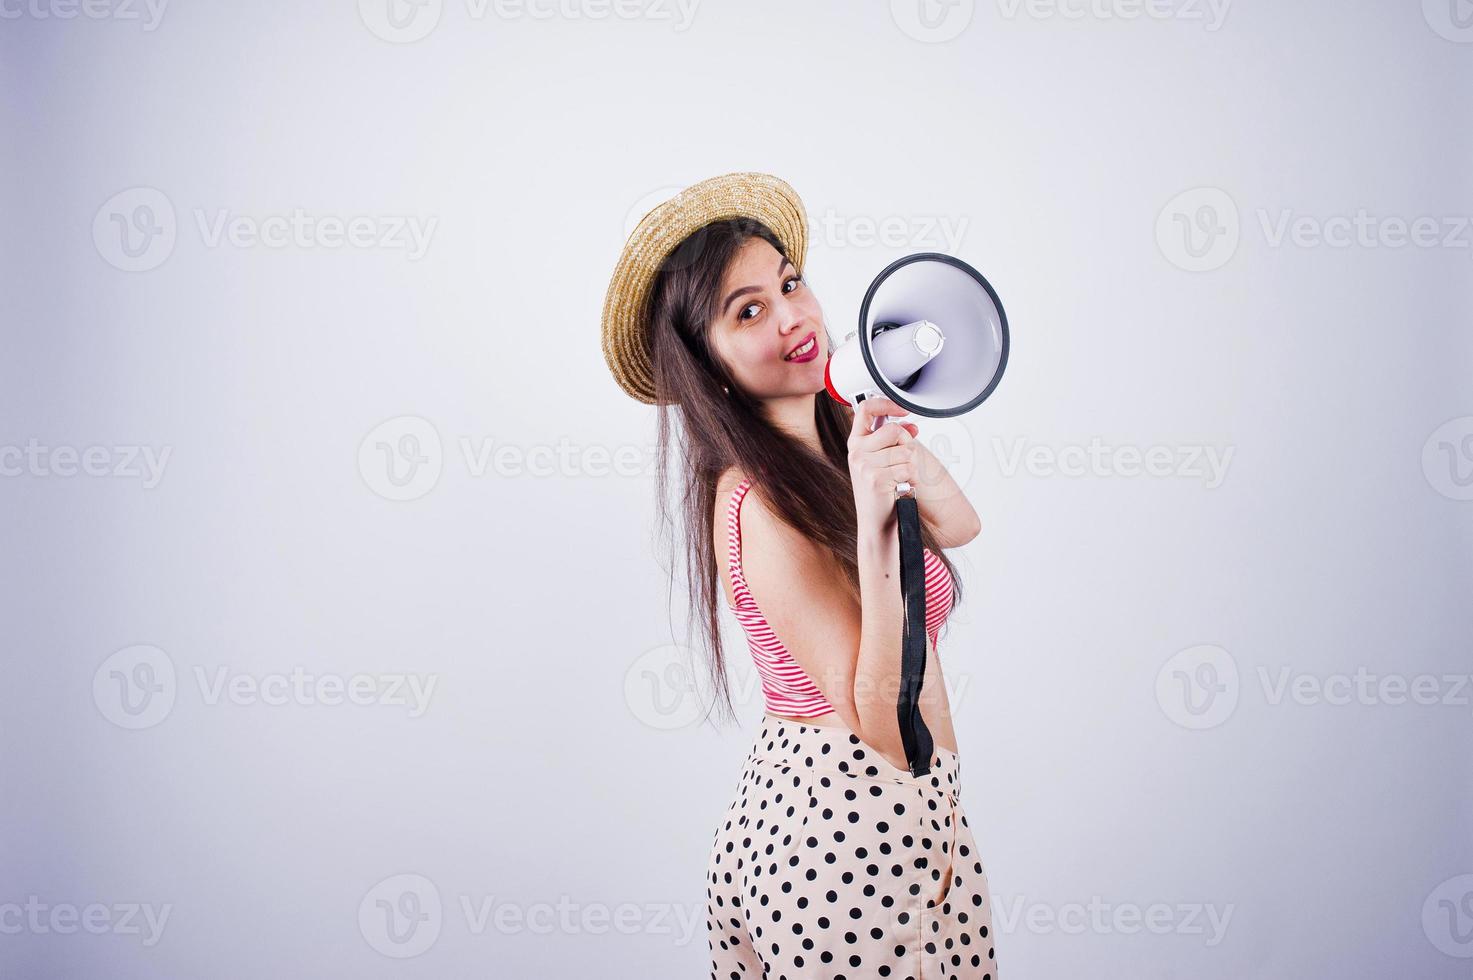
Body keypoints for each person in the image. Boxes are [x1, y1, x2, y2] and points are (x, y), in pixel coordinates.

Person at [600, 172, 997, 979]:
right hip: (838, 844)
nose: (792, 316)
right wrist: (877, 513)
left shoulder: (841, 435)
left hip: (921, 819)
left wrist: (890, 451)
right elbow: (880, 720)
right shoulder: (751, 504)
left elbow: (960, 526)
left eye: (789, 283)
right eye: (747, 311)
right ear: (704, 363)